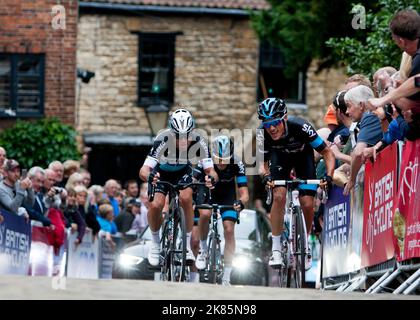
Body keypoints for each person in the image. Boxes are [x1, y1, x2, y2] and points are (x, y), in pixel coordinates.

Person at [256, 98, 335, 270]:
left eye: (275, 122)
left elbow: (327, 153)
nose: (271, 128)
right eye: (267, 123)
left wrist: (329, 176)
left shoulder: (301, 127)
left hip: (302, 158)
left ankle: (304, 242)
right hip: (279, 159)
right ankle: (276, 249)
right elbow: (261, 163)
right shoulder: (262, 133)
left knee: (307, 204)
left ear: (284, 118)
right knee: (279, 195)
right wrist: (266, 176)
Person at [139, 108, 218, 267]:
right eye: (178, 136)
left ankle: (187, 245)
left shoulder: (199, 140)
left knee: (186, 197)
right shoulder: (162, 140)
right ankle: (155, 243)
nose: (183, 140)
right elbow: (144, 170)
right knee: (156, 205)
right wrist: (149, 177)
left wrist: (212, 179)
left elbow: (211, 171)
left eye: (187, 136)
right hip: (162, 172)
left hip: (183, 171)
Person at [194, 135, 249, 286]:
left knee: (229, 230)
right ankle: (203, 249)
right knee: (205, 214)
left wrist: (241, 202)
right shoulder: (205, 162)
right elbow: (192, 183)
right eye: (218, 158)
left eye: (225, 159)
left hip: (227, 196)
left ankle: (226, 275)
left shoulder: (237, 163)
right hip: (207, 193)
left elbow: (244, 193)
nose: (221, 162)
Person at [343, 85, 383, 196]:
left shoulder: (369, 116)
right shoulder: (370, 116)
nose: (346, 111)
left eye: (348, 106)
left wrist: (351, 179)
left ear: (361, 105)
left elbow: (358, 153)